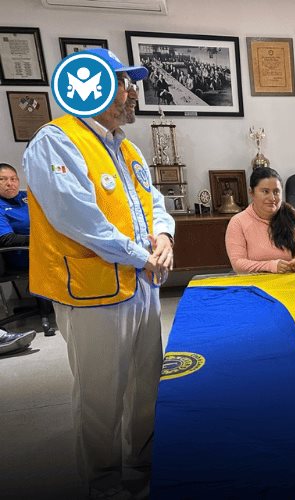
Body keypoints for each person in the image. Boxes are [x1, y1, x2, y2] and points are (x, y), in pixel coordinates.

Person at [22, 48, 174, 499]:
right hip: (91, 292)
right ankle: (104, 485)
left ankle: (143, 462)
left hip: (141, 285)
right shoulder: (56, 141)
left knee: (146, 382)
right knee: (101, 395)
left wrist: (163, 237)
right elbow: (78, 219)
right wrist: (141, 254)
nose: (133, 91)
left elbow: (155, 203)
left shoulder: (126, 148)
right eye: (125, 81)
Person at [225, 166, 295, 274]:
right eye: (265, 191)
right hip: (256, 284)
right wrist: (271, 266)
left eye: (276, 192)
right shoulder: (238, 222)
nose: (272, 198)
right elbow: (238, 264)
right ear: (251, 192)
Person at [0, 163, 30, 269]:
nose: (9, 183)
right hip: (21, 254)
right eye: (2, 179)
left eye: (13, 179)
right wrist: (38, 240)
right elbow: (6, 239)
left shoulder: (27, 196)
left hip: (44, 249)